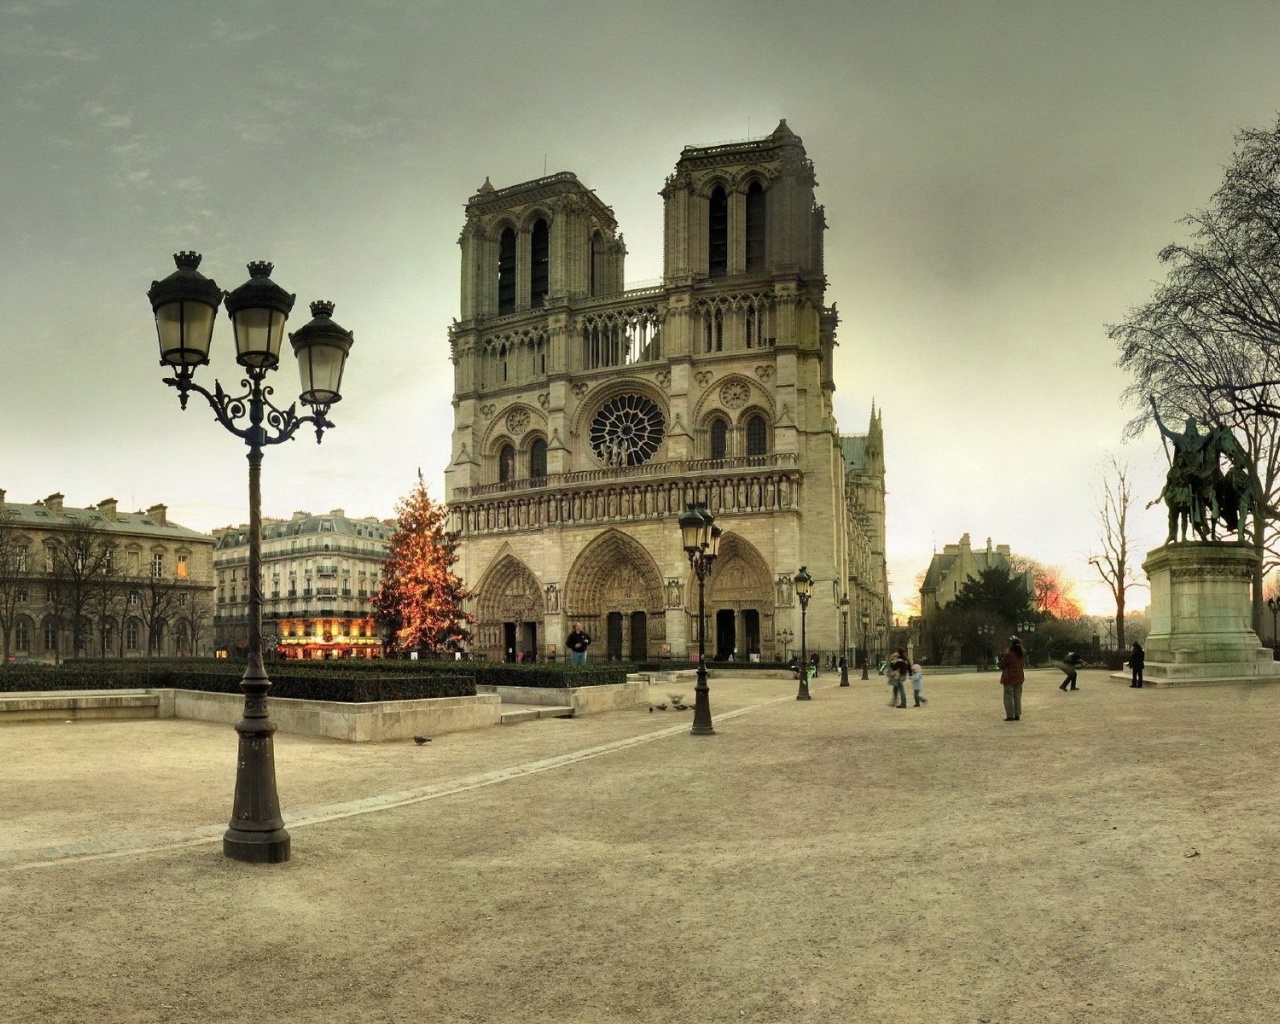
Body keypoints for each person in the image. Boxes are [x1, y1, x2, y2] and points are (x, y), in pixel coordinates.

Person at [999, 637, 1026, 721]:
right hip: (1019, 676)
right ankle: (1017, 714)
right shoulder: (1022, 653)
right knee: (1017, 696)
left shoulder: (1008, 654)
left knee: (1008, 696)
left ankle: (1010, 715)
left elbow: (1001, 664)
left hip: (1009, 677)